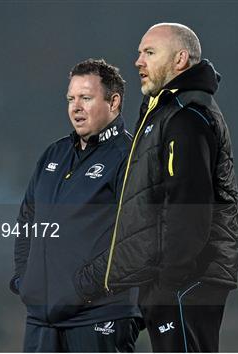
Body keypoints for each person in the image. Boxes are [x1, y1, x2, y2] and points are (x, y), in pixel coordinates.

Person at [75, 23, 238, 352]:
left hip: (185, 280)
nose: (138, 61)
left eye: (149, 52)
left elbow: (189, 207)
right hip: (169, 280)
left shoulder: (186, 117)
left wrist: (169, 281)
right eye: (139, 52)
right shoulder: (163, 114)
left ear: (180, 59)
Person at [10, 58, 141, 352]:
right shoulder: (53, 154)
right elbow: (27, 220)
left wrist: (82, 288)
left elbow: (138, 241)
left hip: (99, 316)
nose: (76, 106)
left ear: (114, 102)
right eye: (71, 98)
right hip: (42, 319)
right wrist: (25, 280)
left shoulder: (131, 158)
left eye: (86, 97)